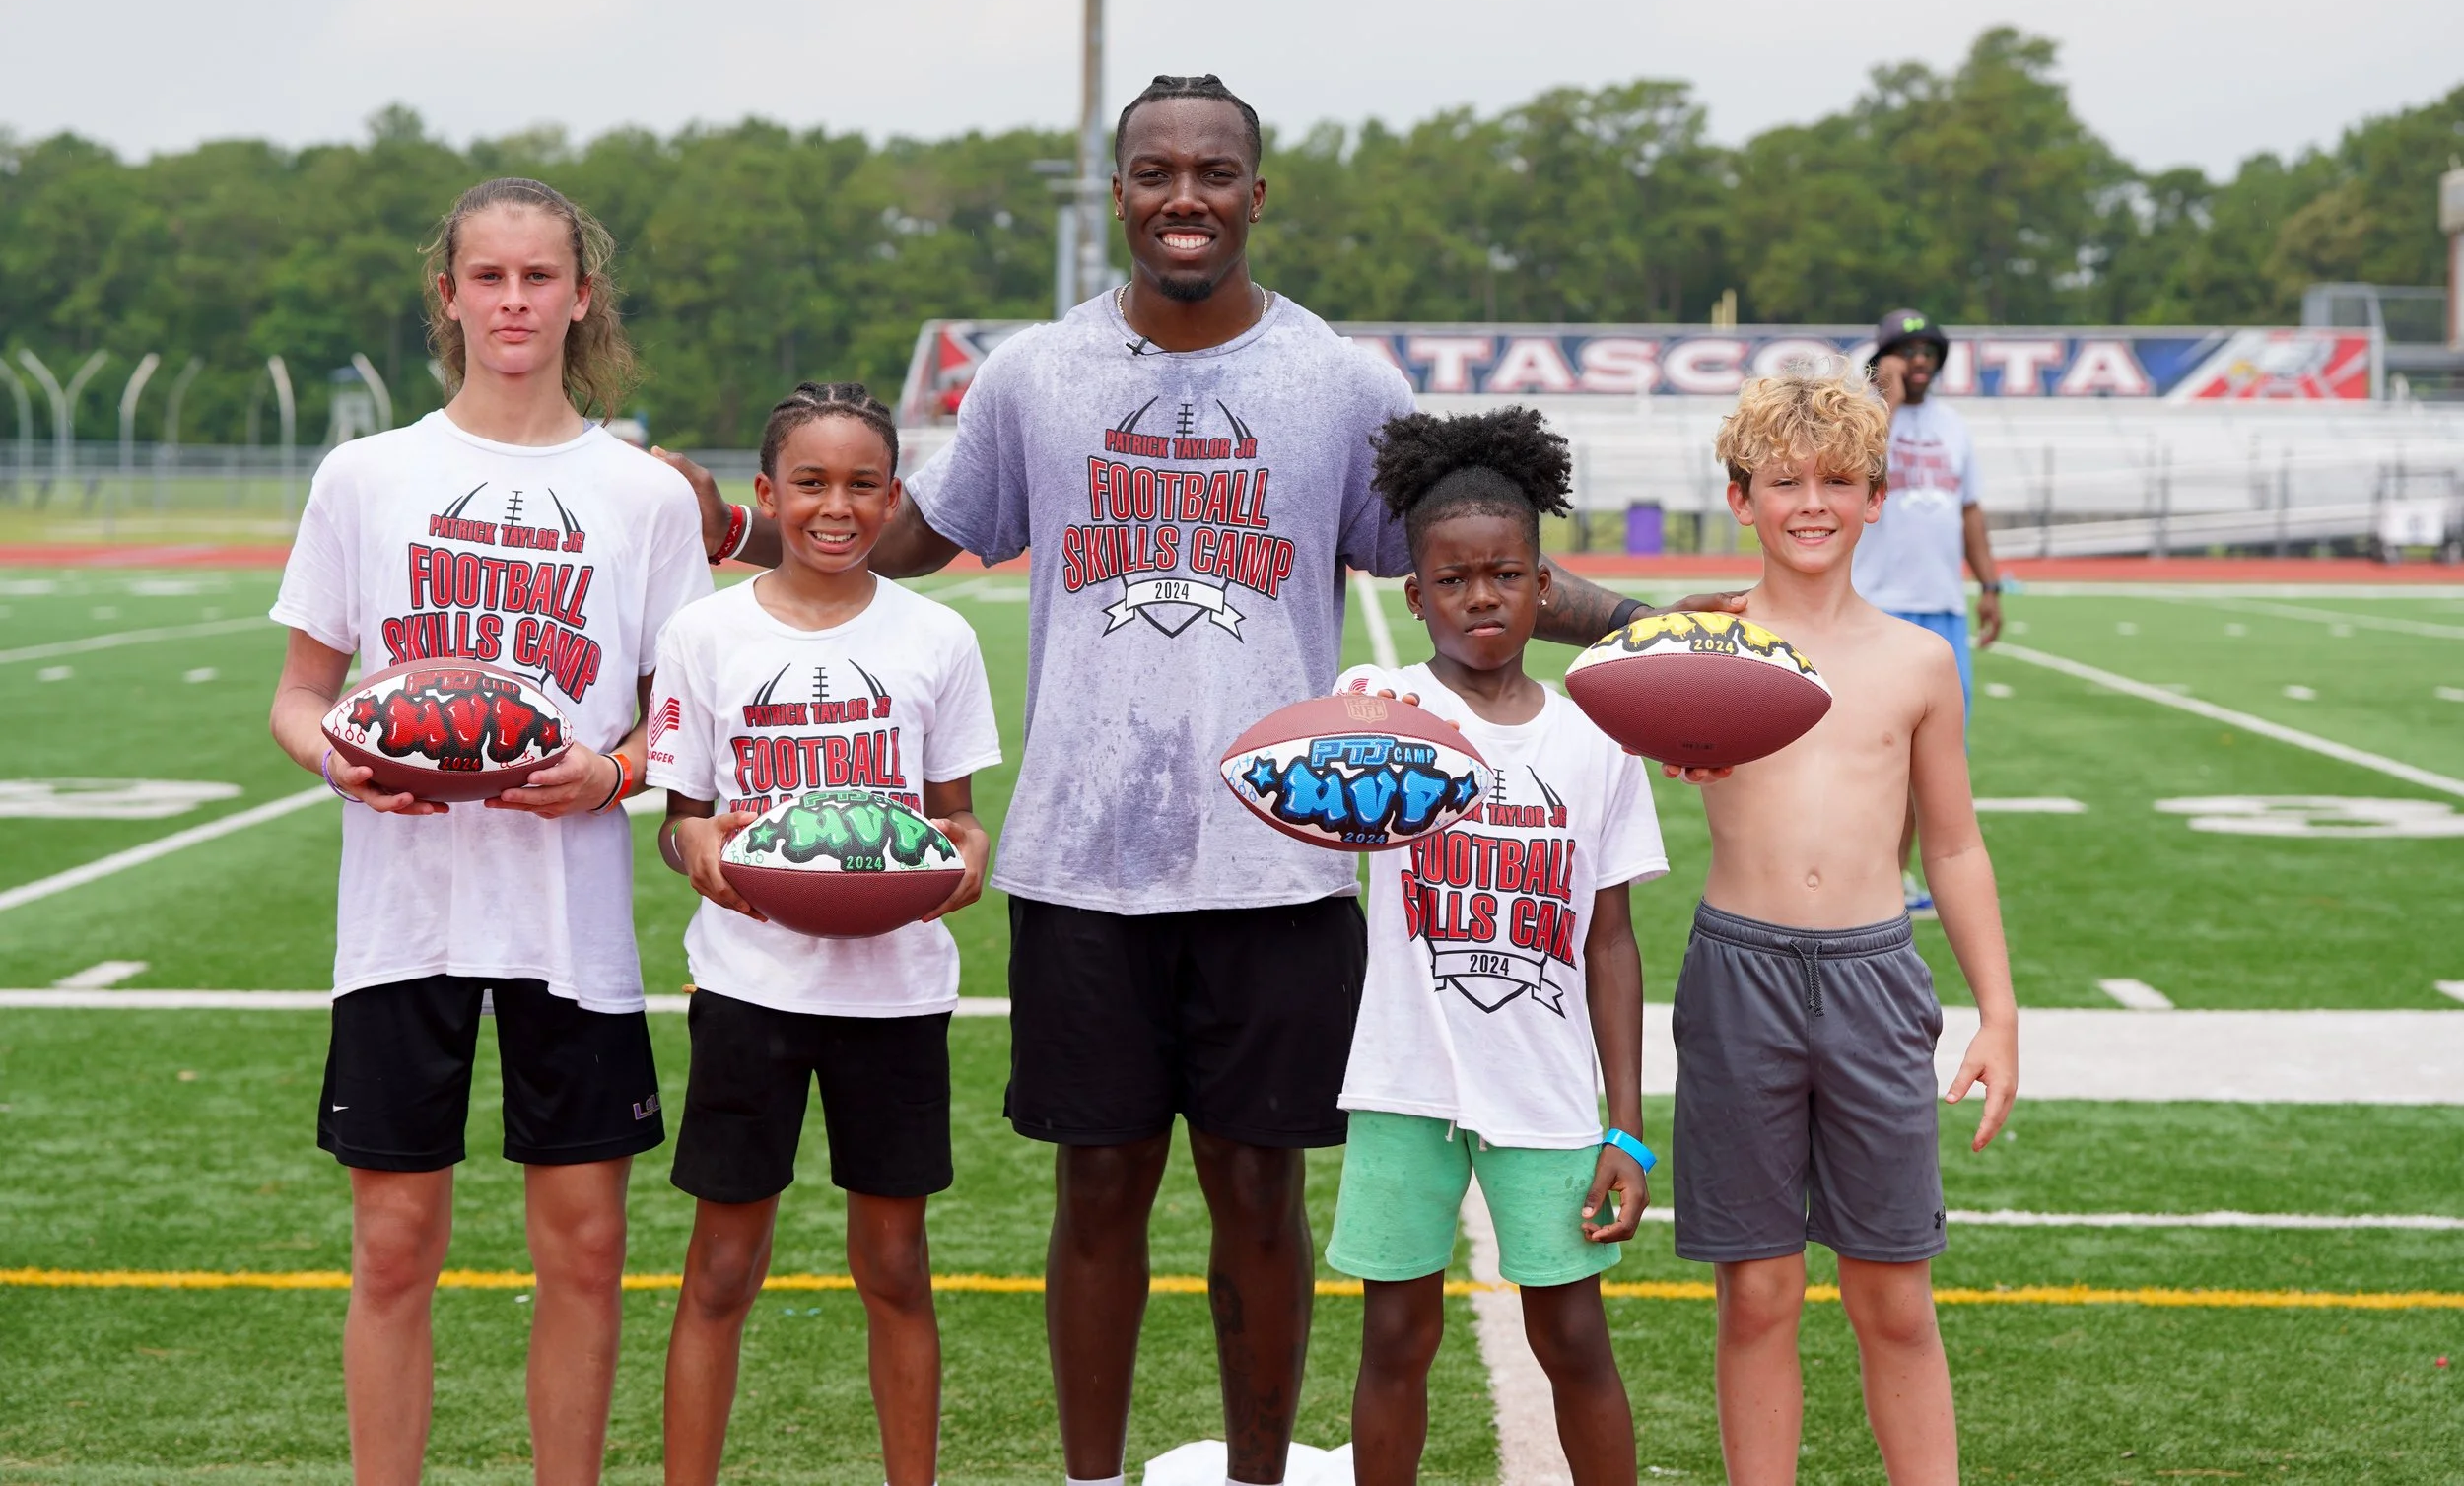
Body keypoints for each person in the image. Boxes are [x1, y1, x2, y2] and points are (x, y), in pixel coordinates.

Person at [659, 74, 1728, 1486]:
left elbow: (1479, 560)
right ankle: (1092, 1477)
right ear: (1118, 192)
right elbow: (923, 531)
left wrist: (1664, 628)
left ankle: (1258, 1474)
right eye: (1155, 171)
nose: (1184, 196)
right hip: (1079, 860)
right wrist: (746, 525)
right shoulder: (1038, 373)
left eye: (1212, 172)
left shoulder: (1340, 381)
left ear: (1255, 192)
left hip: (1280, 864)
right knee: (1095, 1190)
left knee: (1259, 1194)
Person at [266, 177, 713, 1486]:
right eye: (488, 276)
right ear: (449, 293)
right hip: (402, 915)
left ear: (582, 297)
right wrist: (342, 757)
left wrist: (610, 769)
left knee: (583, 1251)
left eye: (539, 276)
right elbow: (300, 694)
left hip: (566, 921)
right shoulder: (368, 472)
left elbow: (676, 726)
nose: (513, 300)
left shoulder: (640, 496)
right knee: (394, 1246)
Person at [1666, 372, 2018, 1486]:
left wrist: (1997, 1011)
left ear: (1876, 499)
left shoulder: (1918, 660)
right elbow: (1602, 709)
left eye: (1835, 480)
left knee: (1892, 1292)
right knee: (1757, 1290)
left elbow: (1953, 846)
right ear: (1740, 497)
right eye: (1782, 480)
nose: (1808, 501)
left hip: (1872, 977)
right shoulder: (1698, 642)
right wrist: (1666, 726)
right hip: (1737, 972)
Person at [647, 382, 1000, 1486]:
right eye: (810, 483)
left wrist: (967, 854)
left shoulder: (935, 633)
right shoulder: (704, 631)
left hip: (892, 991)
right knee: (720, 1265)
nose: (834, 507)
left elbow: (950, 817)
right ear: (767, 493)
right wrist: (700, 849)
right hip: (750, 985)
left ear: (893, 497)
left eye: (860, 485)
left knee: (894, 1262)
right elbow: (678, 822)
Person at [1326, 407, 1665, 1486]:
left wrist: (1630, 1126)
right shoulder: (1380, 710)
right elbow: (1321, 785)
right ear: (1414, 592)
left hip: (1549, 1086)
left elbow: (1611, 942)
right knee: (1395, 1339)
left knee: (1572, 1338)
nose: (1482, 597)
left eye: (1506, 574)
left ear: (1542, 587)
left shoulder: (1598, 735)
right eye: (1456, 578)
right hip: (1405, 1079)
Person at [1850, 308, 2004, 913]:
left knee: (1933, 757)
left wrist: (1989, 584)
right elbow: (1856, 471)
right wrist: (1881, 399)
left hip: (1942, 609)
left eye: (1927, 351)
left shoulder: (1954, 426)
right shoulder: (1861, 419)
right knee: (1868, 753)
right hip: (1876, 606)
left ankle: (1897, 873)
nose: (1918, 361)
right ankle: (1859, 869)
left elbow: (1969, 509)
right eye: (1904, 350)